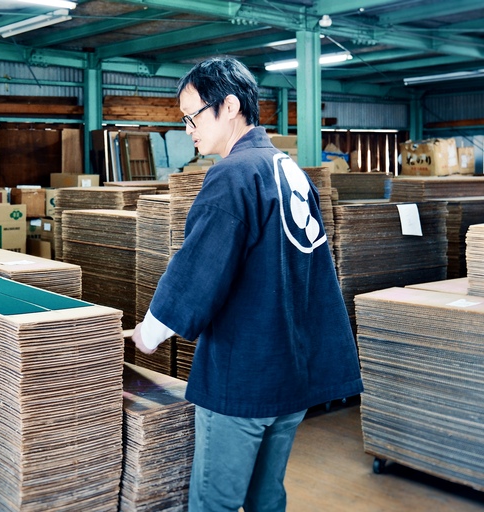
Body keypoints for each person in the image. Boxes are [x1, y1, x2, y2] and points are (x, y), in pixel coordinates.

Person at [131, 56, 363, 512]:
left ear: (230, 106)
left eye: (193, 115)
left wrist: (153, 329)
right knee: (266, 497)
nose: (188, 130)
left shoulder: (233, 175)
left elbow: (200, 266)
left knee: (216, 502)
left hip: (245, 378)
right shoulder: (287, 170)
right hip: (292, 373)